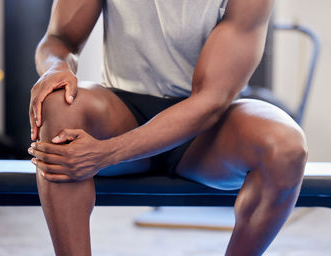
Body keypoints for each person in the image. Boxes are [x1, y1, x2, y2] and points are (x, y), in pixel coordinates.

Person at [27, 0, 308, 255]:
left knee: (285, 147)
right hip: (123, 112)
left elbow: (210, 102)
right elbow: (59, 40)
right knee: (56, 103)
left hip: (206, 131)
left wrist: (107, 153)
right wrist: (55, 67)